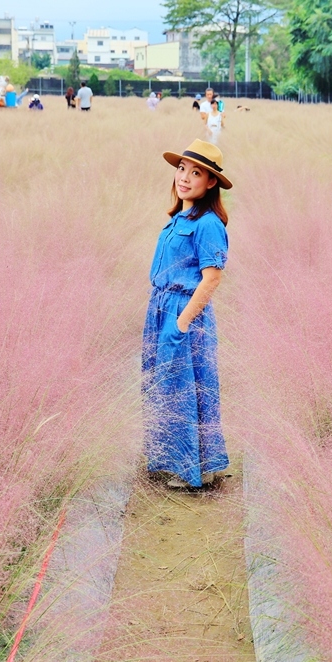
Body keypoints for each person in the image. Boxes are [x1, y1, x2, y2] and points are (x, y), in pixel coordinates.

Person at [143, 138, 232, 489]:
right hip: (161, 308)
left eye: (196, 173)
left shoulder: (208, 224)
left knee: (183, 386)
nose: (185, 178)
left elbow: (212, 279)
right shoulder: (179, 216)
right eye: (182, 169)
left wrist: (181, 322)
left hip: (183, 312)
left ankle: (188, 468)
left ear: (210, 182)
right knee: (165, 385)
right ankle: (183, 460)